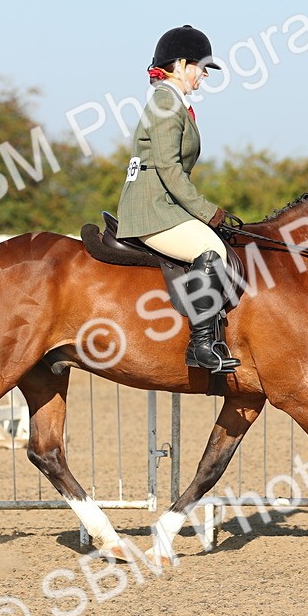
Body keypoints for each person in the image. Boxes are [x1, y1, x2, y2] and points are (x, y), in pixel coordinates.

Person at [116, 25, 240, 373]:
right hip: (153, 208)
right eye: (202, 68)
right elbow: (170, 169)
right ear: (182, 64)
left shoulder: (171, 102)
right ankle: (200, 345)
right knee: (211, 250)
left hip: (162, 204)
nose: (204, 76)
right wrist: (208, 212)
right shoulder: (167, 103)